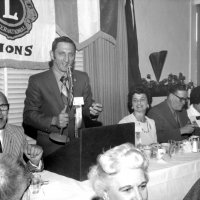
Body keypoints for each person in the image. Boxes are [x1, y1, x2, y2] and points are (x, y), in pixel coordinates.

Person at [23, 36, 103, 157]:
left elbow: (86, 108)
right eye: (62, 54)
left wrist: (93, 112)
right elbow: (29, 116)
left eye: (71, 54)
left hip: (79, 145)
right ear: (52, 55)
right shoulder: (37, 81)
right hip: (51, 148)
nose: (67, 59)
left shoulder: (82, 78)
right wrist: (54, 121)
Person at [0, 92, 43, 171]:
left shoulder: (17, 133)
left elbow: (23, 173)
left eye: (3, 107)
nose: (0, 113)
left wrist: (34, 162)